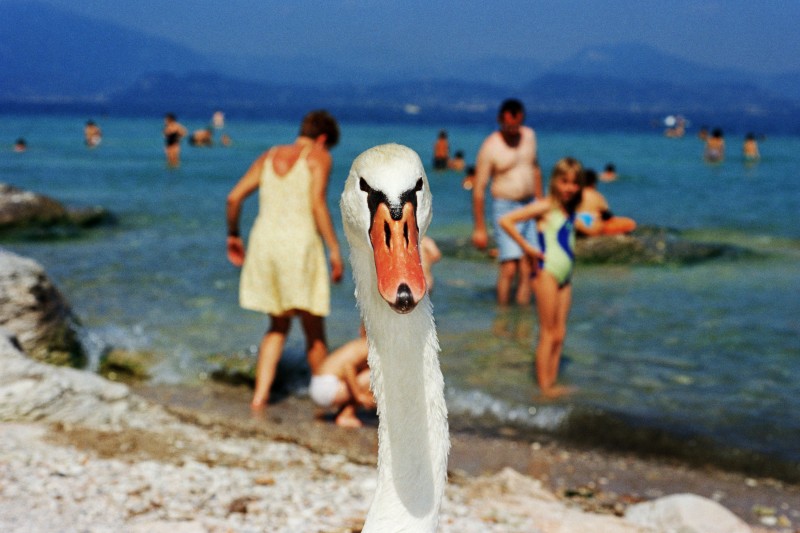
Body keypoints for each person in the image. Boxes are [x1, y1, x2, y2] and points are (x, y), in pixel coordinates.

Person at [226, 110, 344, 409]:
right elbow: (317, 204)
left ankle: (259, 398)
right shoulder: (318, 156)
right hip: (300, 244)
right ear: (322, 138)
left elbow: (234, 197)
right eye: (328, 146)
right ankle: (325, 401)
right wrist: (334, 248)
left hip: (265, 243)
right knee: (314, 329)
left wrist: (233, 235)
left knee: (277, 326)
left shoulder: (269, 156)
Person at [499, 157, 583, 398]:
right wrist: (527, 247)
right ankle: (544, 387)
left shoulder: (570, 210)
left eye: (574, 183)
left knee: (560, 332)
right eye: (564, 181)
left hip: (565, 276)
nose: (569, 187)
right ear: (555, 181)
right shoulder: (546, 206)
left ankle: (552, 382)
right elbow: (507, 220)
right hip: (546, 273)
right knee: (547, 332)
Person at [472, 98, 542, 306]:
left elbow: (535, 168)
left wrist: (541, 202)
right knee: (509, 266)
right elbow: (479, 189)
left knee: (529, 263)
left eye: (517, 124)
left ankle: (522, 315)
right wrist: (480, 228)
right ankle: (502, 315)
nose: (513, 129)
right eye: (509, 124)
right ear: (500, 120)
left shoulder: (529, 136)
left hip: (530, 205)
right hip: (505, 207)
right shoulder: (491, 146)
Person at [310, 327, 375, 428]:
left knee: (364, 373)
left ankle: (342, 412)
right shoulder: (368, 346)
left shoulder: (358, 345)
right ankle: (346, 415)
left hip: (320, 385)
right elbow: (347, 367)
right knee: (376, 375)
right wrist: (359, 396)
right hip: (326, 389)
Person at [574, 169, 636, 236]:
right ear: (593, 183)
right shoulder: (596, 195)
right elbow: (607, 215)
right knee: (630, 223)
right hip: (592, 228)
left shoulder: (574, 194)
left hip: (577, 224)